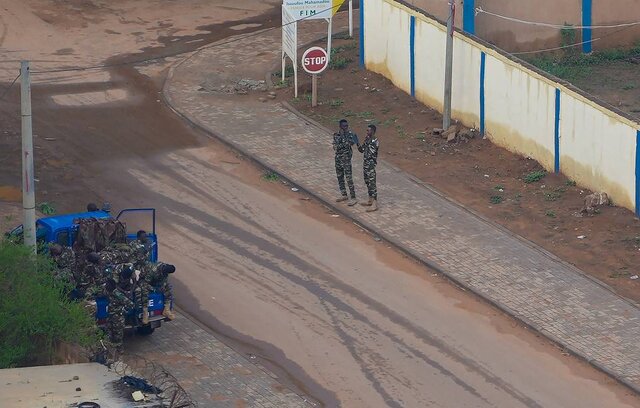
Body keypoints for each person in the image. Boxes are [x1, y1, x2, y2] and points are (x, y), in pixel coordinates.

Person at [333, 119, 359, 206]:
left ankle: (353, 197)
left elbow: (354, 142)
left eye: (347, 126)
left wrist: (343, 143)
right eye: (344, 126)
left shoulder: (350, 134)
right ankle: (344, 194)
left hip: (346, 160)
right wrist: (345, 143)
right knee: (340, 177)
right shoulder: (336, 135)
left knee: (349, 178)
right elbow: (335, 147)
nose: (346, 127)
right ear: (340, 126)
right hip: (338, 159)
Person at [104, 278, 134, 351]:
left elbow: (131, 304)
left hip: (118, 318)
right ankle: (110, 350)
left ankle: (119, 351)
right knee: (109, 334)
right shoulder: (108, 291)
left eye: (107, 285)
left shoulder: (118, 294)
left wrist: (123, 310)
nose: (106, 286)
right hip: (110, 317)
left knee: (118, 336)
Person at [358, 124, 380, 212]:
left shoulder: (375, 141)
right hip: (365, 163)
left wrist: (367, 142)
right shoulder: (367, 139)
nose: (367, 132)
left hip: (371, 164)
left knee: (372, 183)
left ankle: (375, 203)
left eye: (368, 130)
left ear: (373, 131)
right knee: (367, 181)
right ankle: (370, 199)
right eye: (367, 130)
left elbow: (372, 152)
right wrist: (357, 143)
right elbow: (362, 150)